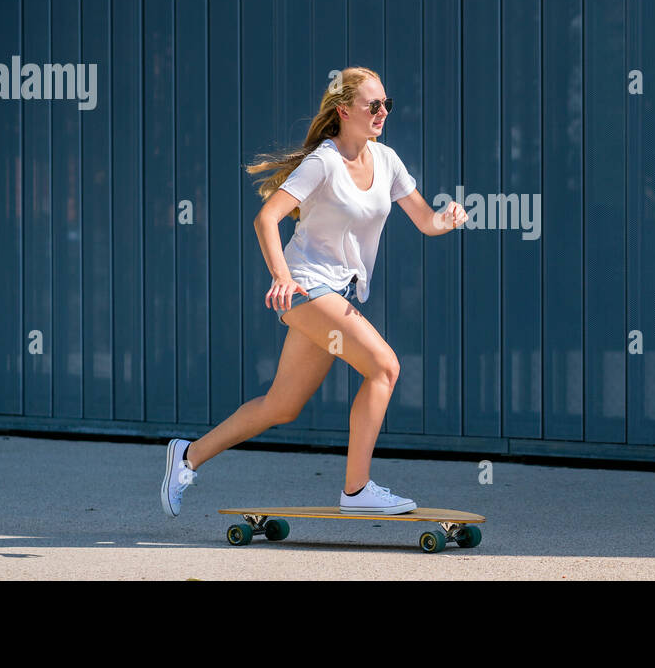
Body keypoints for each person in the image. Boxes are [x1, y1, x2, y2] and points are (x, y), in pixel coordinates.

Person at [161, 66, 467, 517]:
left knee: (281, 405)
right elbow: (266, 218)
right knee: (385, 367)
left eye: (387, 104)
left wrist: (449, 217)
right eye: (373, 105)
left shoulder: (388, 161)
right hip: (307, 286)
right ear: (344, 110)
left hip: (335, 292)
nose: (383, 112)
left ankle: (187, 456)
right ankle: (357, 490)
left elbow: (426, 221)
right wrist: (282, 276)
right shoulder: (323, 162)